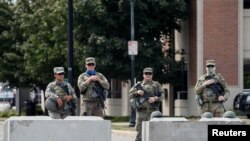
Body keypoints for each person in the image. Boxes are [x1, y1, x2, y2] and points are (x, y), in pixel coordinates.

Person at [129, 67, 165, 141]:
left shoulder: (157, 85)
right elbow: (130, 94)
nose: (148, 75)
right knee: (140, 133)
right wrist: (137, 92)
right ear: (143, 75)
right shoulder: (138, 85)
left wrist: (155, 98)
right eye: (146, 73)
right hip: (141, 112)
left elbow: (163, 95)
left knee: (154, 132)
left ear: (152, 75)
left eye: (150, 73)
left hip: (153, 112)